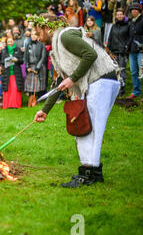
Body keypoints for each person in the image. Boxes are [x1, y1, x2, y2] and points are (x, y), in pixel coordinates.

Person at [32, 13, 119, 188]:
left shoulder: (66, 35)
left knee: (90, 129)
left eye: (38, 32)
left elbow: (90, 54)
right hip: (97, 82)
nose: (37, 37)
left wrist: (73, 79)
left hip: (102, 80)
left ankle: (88, 175)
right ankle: (93, 173)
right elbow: (59, 83)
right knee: (87, 127)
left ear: (47, 28)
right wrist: (45, 110)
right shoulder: (57, 45)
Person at [127, 3, 143, 101]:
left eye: (136, 9)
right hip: (132, 50)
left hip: (142, 50)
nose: (134, 11)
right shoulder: (131, 22)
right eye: (132, 10)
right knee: (133, 72)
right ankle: (136, 92)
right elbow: (130, 36)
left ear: (139, 10)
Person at [108, 9, 130, 96]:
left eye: (121, 14)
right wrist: (108, 50)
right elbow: (110, 38)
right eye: (118, 14)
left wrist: (126, 47)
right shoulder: (113, 26)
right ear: (116, 16)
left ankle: (121, 89)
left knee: (122, 70)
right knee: (114, 71)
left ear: (123, 16)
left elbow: (129, 38)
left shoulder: (127, 26)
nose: (119, 16)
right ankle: (115, 88)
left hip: (122, 52)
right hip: (113, 52)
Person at [0, 36, 24, 109]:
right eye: (8, 42)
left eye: (11, 41)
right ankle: (7, 105)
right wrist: (6, 60)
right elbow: (1, 61)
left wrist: (16, 60)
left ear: (13, 41)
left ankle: (15, 105)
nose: (10, 43)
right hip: (7, 72)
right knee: (8, 89)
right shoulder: (4, 50)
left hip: (15, 72)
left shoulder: (18, 49)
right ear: (6, 43)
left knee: (15, 88)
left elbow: (22, 60)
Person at [24, 32, 48, 98]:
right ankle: (31, 99)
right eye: (32, 35)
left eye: (35, 35)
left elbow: (43, 57)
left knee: (39, 84)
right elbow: (25, 57)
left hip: (40, 66)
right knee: (30, 84)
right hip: (30, 66)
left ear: (37, 36)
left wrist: (37, 68)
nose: (34, 36)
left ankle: (40, 98)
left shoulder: (41, 45)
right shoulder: (27, 44)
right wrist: (27, 66)